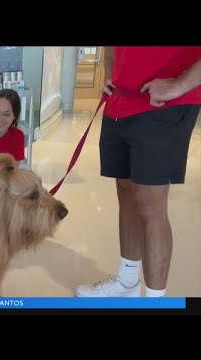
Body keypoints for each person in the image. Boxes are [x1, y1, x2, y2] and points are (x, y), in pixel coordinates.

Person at [75, 47, 201, 297]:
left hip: (164, 103)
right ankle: (127, 281)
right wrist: (111, 71)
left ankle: (155, 301)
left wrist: (180, 84)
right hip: (121, 99)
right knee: (127, 194)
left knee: (150, 205)